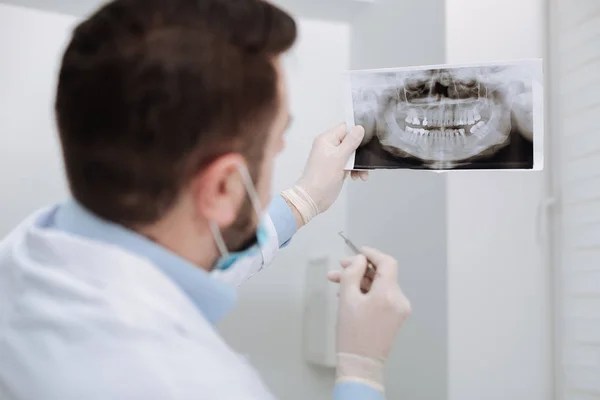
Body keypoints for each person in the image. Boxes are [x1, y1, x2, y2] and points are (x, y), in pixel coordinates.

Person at [0, 0, 412, 399]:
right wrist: (362, 371)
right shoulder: (194, 384)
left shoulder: (26, 251)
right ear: (221, 189)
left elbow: (168, 277)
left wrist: (304, 199)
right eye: (279, 137)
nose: (282, 145)